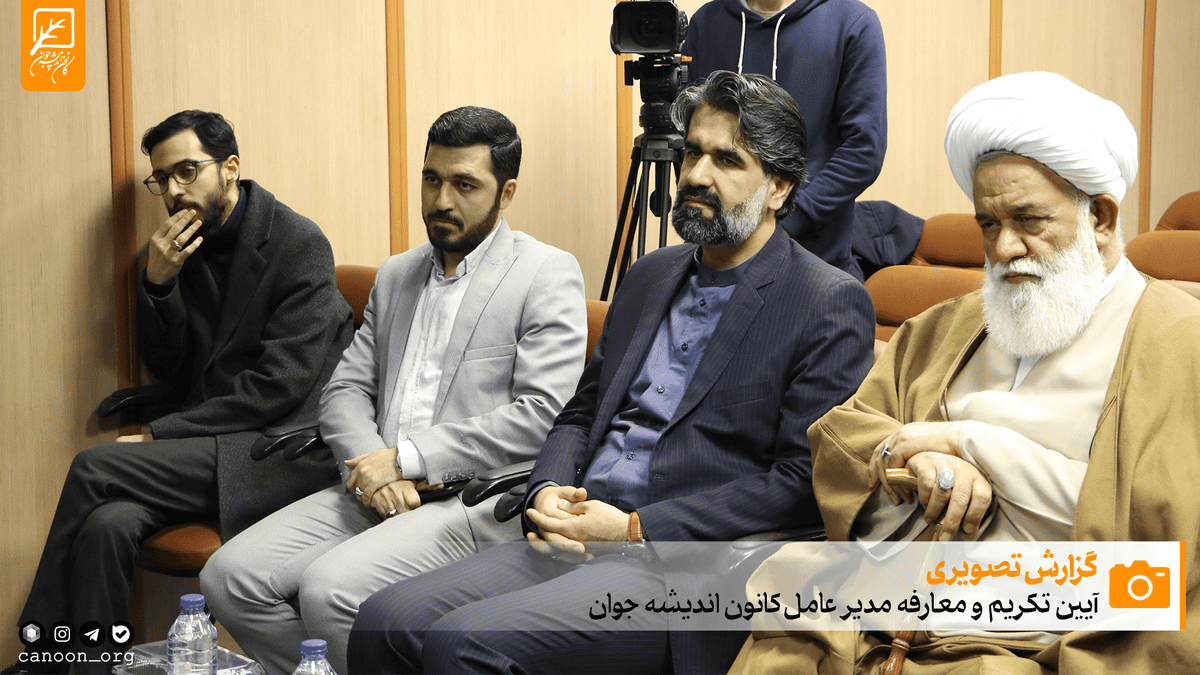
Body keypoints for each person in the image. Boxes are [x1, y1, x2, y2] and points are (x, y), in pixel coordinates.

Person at [346, 71, 875, 675]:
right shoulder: (651, 274)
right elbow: (582, 411)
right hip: (577, 535)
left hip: (685, 571)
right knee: (385, 620)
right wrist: (547, 490)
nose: (697, 175)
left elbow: (802, 482)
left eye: (728, 160)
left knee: (464, 643)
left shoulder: (826, 301)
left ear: (778, 187)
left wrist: (634, 527)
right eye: (692, 153)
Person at [728, 71, 1200, 674]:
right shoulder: (947, 326)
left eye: (1029, 221)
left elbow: (1159, 552)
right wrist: (911, 459)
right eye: (988, 225)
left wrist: (970, 444)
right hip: (871, 614)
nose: (1004, 249)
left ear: (1101, 218)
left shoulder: (1180, 346)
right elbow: (844, 437)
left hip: (1028, 647)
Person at [199, 106, 588, 675]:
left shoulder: (544, 273)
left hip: (472, 500)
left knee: (329, 590)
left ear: (506, 193)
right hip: (376, 488)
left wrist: (405, 460)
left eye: (464, 185)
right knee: (227, 579)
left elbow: (541, 415)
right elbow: (344, 390)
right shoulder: (398, 273)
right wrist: (375, 468)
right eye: (431, 179)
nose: (441, 200)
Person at [9, 110, 354, 674]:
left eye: (187, 171)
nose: (173, 190)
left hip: (279, 447)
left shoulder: (297, 242)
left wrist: (159, 434)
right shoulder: (181, 243)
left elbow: (278, 387)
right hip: (214, 440)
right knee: (107, 525)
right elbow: (169, 365)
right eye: (162, 178)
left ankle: (40, 655)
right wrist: (159, 282)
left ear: (230, 168)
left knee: (94, 467)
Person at [683, 0, 887, 280]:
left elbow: (864, 150)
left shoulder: (853, 22)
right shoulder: (706, 22)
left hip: (813, 259)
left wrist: (791, 221)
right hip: (718, 253)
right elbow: (690, 138)